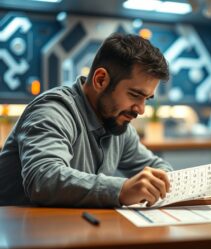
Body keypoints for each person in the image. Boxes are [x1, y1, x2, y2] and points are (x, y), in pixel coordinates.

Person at [0, 33, 172, 207]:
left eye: (147, 98)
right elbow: (43, 178)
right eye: (135, 95)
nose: (141, 109)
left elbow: (156, 166)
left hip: (70, 228)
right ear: (101, 80)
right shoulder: (53, 110)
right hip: (18, 229)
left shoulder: (118, 124)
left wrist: (163, 182)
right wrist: (121, 190)